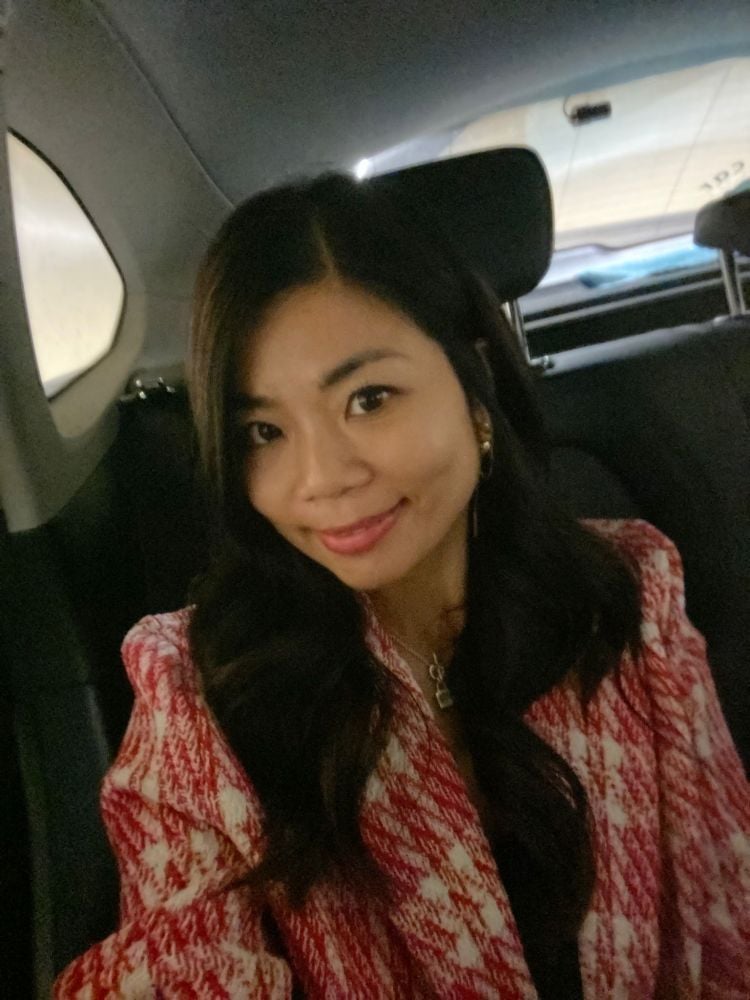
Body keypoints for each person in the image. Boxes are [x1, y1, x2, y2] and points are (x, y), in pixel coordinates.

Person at [55, 173, 749, 999]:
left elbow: (726, 906)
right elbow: (181, 954)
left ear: (474, 386)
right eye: (264, 431)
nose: (321, 478)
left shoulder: (625, 595)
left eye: (369, 398)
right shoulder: (198, 692)